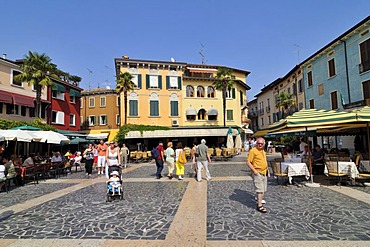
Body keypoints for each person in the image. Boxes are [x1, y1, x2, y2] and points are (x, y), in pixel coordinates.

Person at [246, 137, 269, 213]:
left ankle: (259, 201)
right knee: (260, 190)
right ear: (256, 143)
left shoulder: (263, 151)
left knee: (263, 189)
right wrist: (254, 171)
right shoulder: (253, 151)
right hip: (257, 172)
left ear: (264, 144)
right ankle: (259, 206)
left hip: (264, 172)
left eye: (261, 144)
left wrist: (267, 171)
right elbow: (248, 162)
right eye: (258, 143)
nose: (260, 145)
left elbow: (264, 161)